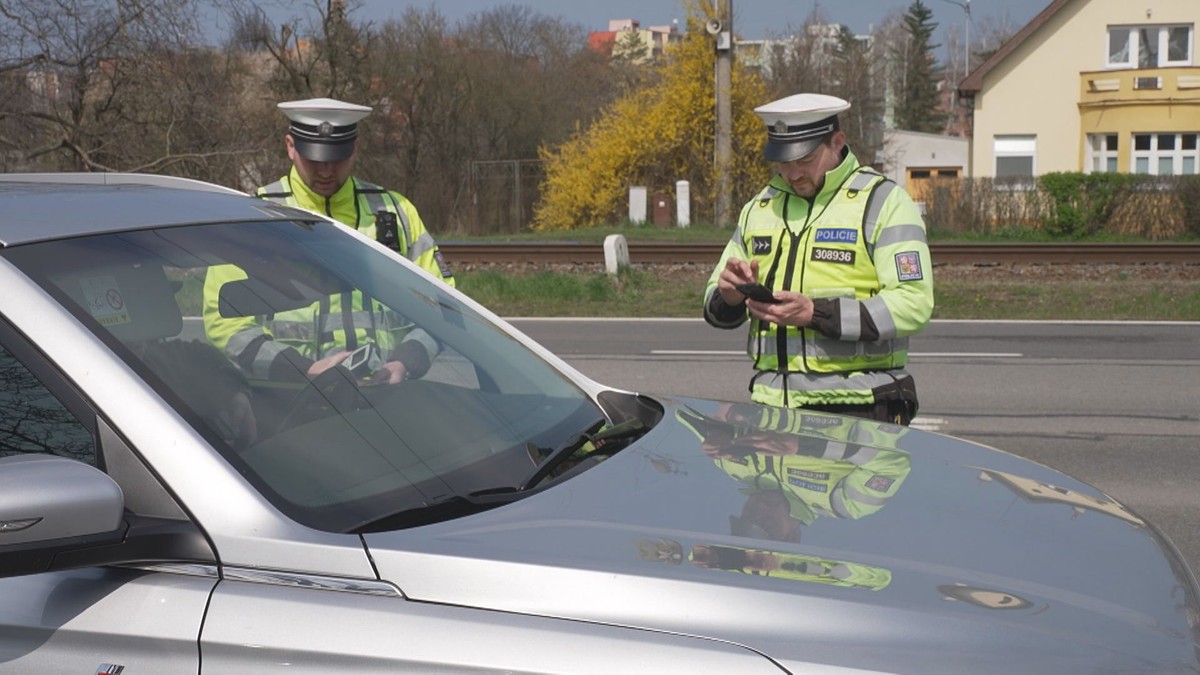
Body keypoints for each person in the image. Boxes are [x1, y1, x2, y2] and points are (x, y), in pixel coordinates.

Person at [704, 93, 934, 425]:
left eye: (805, 160)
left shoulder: (885, 202)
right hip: (770, 412)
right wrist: (729, 296)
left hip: (860, 408)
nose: (793, 173)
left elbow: (914, 303)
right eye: (783, 161)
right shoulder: (760, 207)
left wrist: (816, 313)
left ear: (837, 142)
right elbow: (715, 307)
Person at [204, 97, 452, 385]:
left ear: (356, 148)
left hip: (387, 398)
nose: (325, 171)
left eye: (337, 158)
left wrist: (405, 362)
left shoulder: (396, 213)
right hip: (288, 400)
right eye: (315, 158)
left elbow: (443, 304)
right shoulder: (252, 219)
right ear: (290, 147)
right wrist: (301, 370)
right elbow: (225, 322)